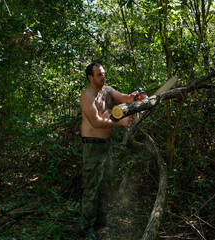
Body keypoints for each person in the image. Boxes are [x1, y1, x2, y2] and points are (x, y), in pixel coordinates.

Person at [79, 62, 135, 239]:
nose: (103, 77)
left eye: (103, 73)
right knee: (91, 187)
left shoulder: (108, 91)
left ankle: (101, 220)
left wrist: (136, 96)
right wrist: (119, 123)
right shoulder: (87, 96)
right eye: (99, 75)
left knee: (105, 184)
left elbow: (125, 98)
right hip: (92, 146)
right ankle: (86, 228)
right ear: (90, 77)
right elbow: (95, 122)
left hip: (106, 145)